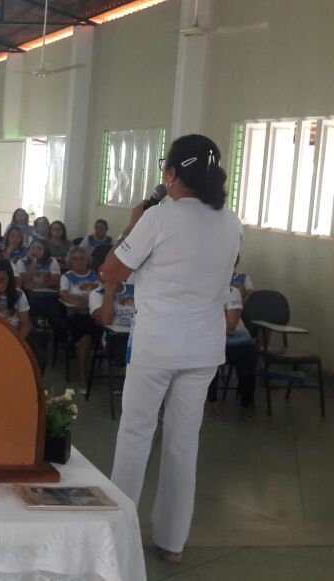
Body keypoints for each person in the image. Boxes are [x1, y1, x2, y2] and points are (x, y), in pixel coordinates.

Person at [100, 134, 242, 563]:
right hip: (204, 347)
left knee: (136, 436)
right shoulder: (231, 221)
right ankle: (172, 542)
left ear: (172, 174)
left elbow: (111, 271)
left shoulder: (158, 218)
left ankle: (120, 538)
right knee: (184, 442)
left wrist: (131, 226)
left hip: (157, 344)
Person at [205, 285, 257, 420]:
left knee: (246, 356)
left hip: (238, 342)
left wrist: (206, 322)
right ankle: (212, 401)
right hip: (211, 339)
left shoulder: (231, 292)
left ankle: (246, 405)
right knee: (208, 354)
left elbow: (231, 324)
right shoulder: (199, 289)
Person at [0, 259, 47, 371]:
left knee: (39, 358)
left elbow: (25, 324)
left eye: (2, 279)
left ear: (9, 278)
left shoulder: (19, 294)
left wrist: (17, 341)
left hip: (15, 334)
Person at [59, 247, 101, 390]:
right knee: (86, 334)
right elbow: (63, 294)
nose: (79, 261)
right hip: (75, 315)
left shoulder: (95, 276)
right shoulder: (67, 277)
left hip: (94, 313)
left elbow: (102, 293)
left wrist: (89, 305)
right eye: (75, 258)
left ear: (88, 261)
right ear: (70, 261)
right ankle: (83, 376)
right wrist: (79, 303)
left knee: (91, 328)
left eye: (82, 258)